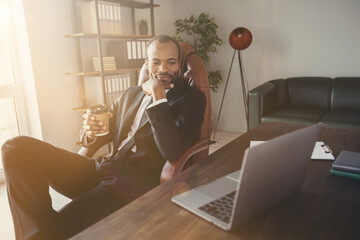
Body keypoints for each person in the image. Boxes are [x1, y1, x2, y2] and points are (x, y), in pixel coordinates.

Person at [1, 35, 206, 240]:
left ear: (179, 64)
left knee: (57, 228)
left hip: (133, 184)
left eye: (170, 62)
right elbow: (103, 129)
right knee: (16, 148)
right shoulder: (131, 93)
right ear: (146, 63)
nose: (163, 69)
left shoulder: (192, 99)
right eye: (156, 62)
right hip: (102, 168)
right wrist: (89, 132)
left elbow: (173, 150)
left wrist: (158, 96)